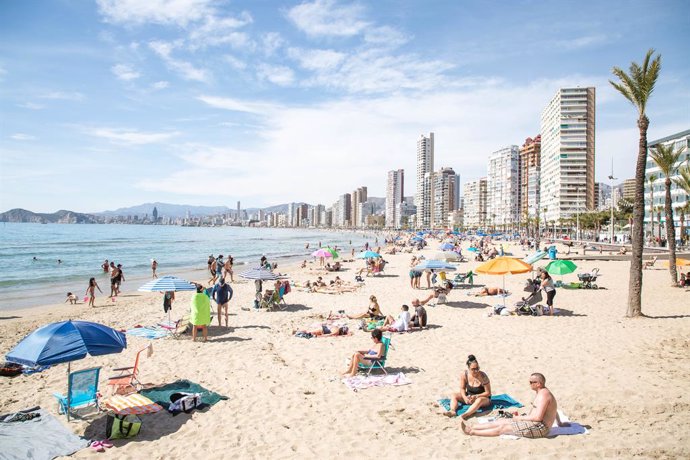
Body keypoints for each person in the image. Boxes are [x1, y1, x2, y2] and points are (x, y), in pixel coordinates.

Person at [461, 372, 568, 438]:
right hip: (534, 422)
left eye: (531, 382)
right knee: (502, 421)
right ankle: (474, 426)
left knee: (503, 428)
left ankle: (471, 432)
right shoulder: (542, 392)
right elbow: (553, 409)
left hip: (540, 428)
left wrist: (518, 417)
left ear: (538, 384)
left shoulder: (544, 395)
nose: (529, 383)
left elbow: (538, 417)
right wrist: (560, 423)